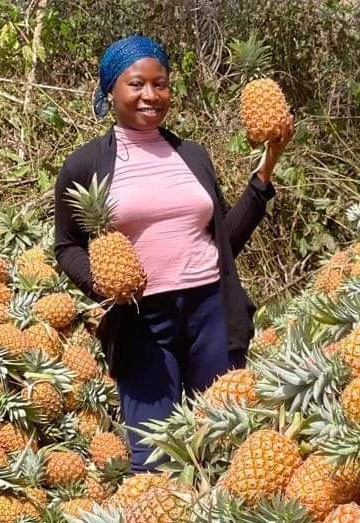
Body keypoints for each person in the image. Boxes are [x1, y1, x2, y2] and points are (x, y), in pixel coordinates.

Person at [53, 34, 294, 471]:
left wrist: (266, 170)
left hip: (211, 308)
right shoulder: (84, 165)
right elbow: (67, 246)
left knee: (225, 437)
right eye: (136, 84)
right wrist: (102, 281)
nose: (151, 95)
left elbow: (226, 241)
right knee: (154, 452)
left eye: (160, 84)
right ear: (110, 91)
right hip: (142, 319)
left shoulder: (193, 156)